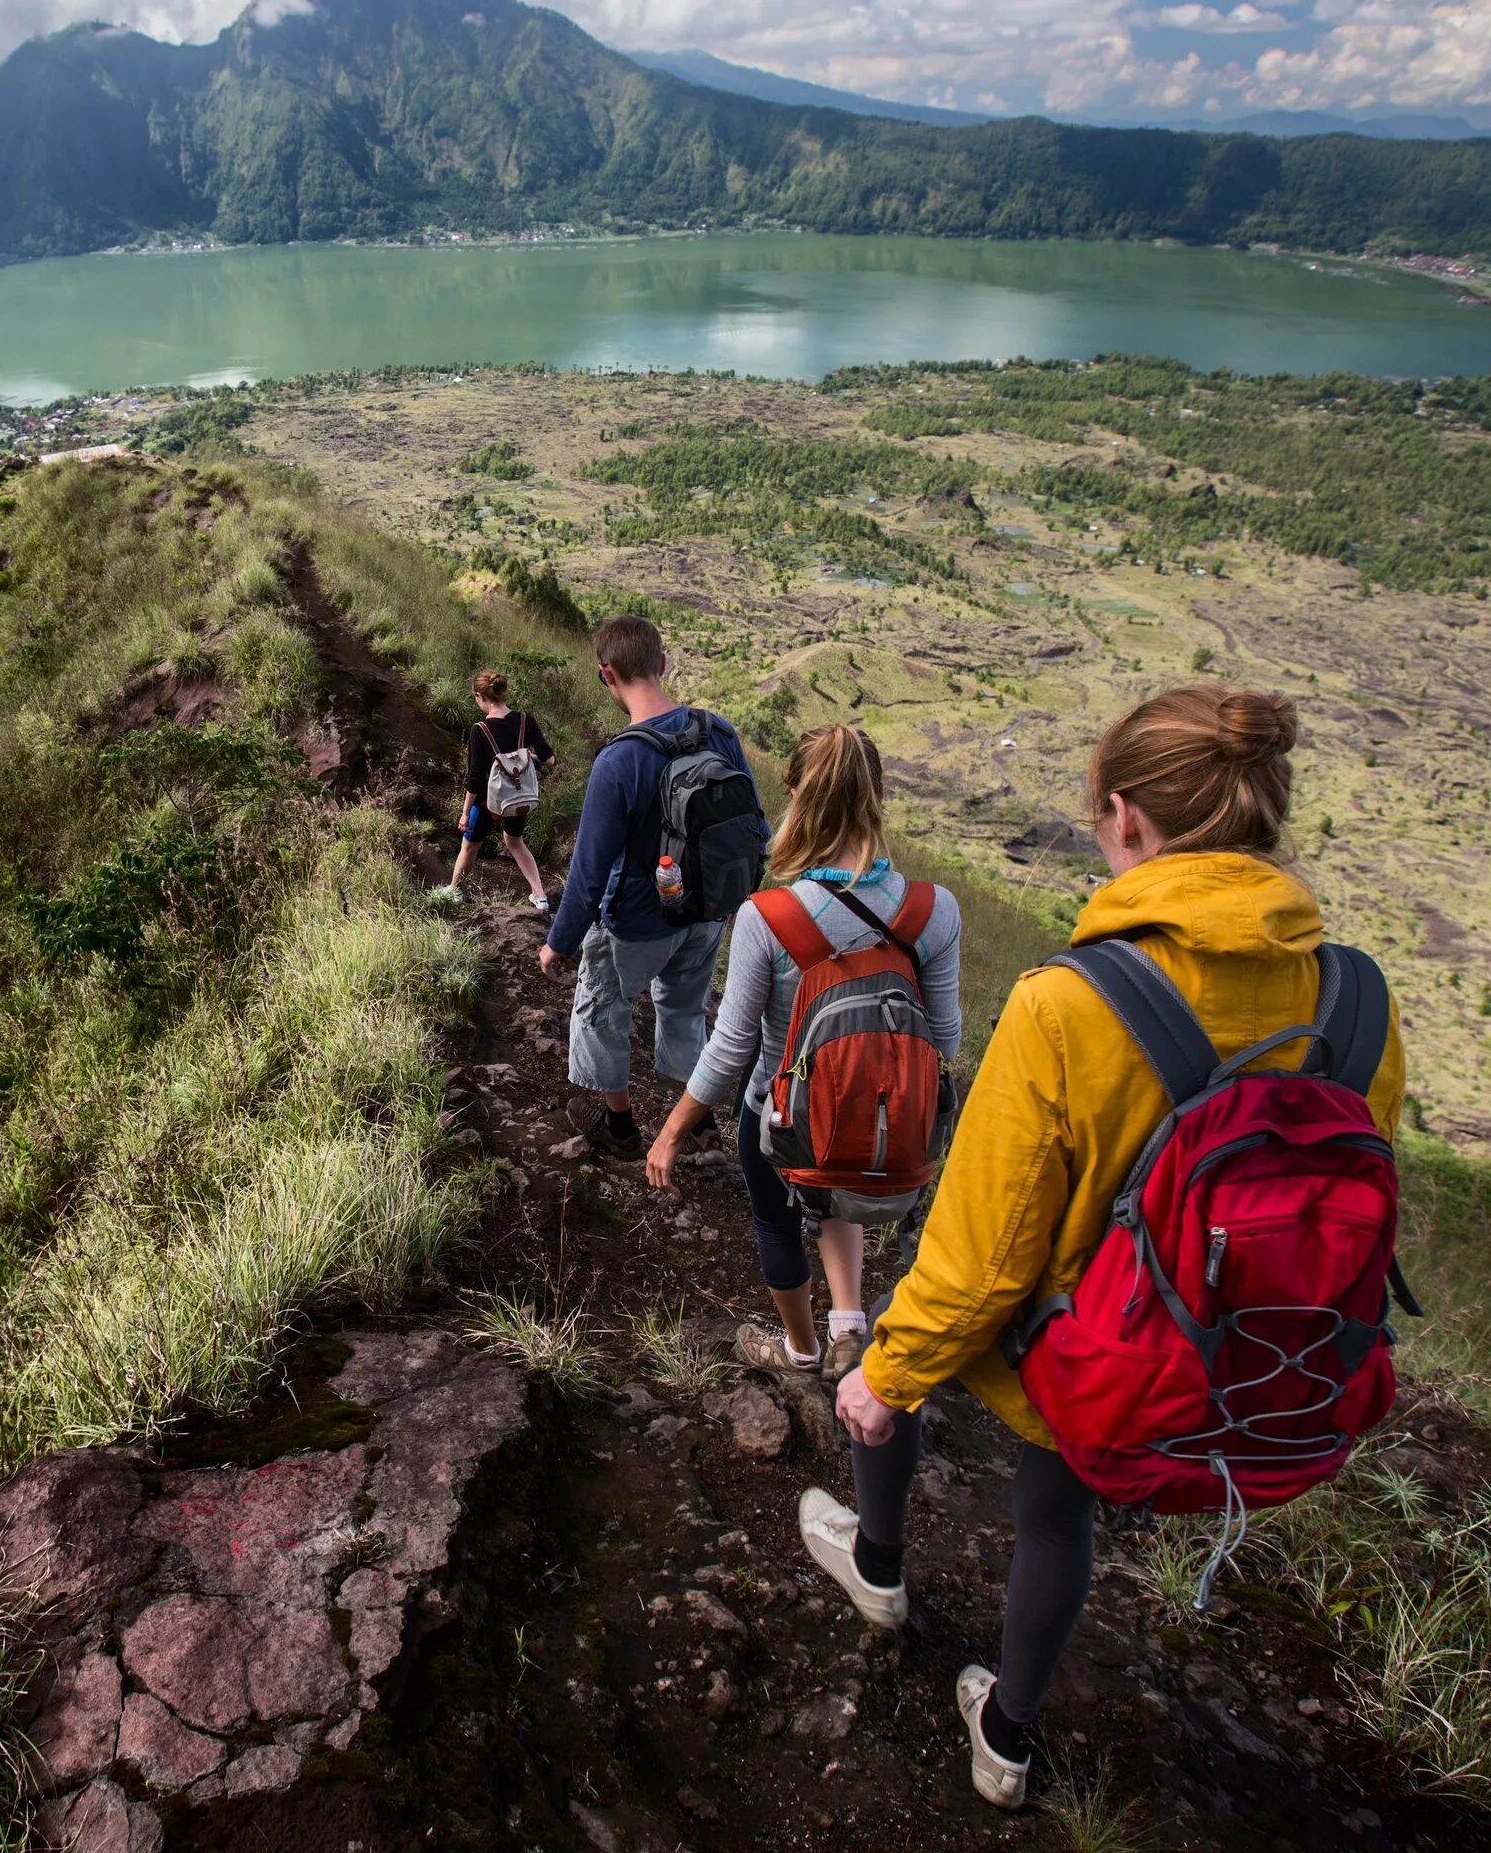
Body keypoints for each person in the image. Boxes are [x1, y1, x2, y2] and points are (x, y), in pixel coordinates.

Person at [807, 685, 1406, 1811]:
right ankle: (1009, 1735)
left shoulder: (1069, 1005)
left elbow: (980, 1257)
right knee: (1058, 1504)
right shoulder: (1358, 1000)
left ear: (1126, 819)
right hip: (1243, 1357)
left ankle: (878, 1566)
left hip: (1087, 1354)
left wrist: (886, 1380)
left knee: (905, 1339)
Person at [643, 725, 960, 1383]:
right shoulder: (935, 912)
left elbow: (731, 1046)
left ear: (793, 795)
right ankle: (850, 1325)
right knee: (842, 1184)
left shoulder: (770, 914)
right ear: (880, 796)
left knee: (778, 1221)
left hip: (780, 1117)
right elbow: (948, 1040)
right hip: (882, 1121)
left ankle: (801, 1349)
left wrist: (672, 1131)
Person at [538, 615, 757, 1160]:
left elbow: (589, 874)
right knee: (684, 1010)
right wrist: (733, 899)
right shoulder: (719, 732)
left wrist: (559, 943)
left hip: (637, 923)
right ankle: (699, 1126)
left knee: (602, 1006)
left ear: (605, 674)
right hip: (706, 916)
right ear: (663, 664)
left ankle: (618, 1125)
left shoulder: (619, 762)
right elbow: (753, 829)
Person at [446, 669, 555, 911]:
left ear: (480, 695)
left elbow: (475, 778)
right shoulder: (526, 720)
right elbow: (549, 760)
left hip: (488, 803)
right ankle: (540, 896)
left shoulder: (479, 730)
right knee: (515, 842)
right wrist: (526, 757)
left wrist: (465, 812)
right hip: (518, 799)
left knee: (470, 845)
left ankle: (453, 890)